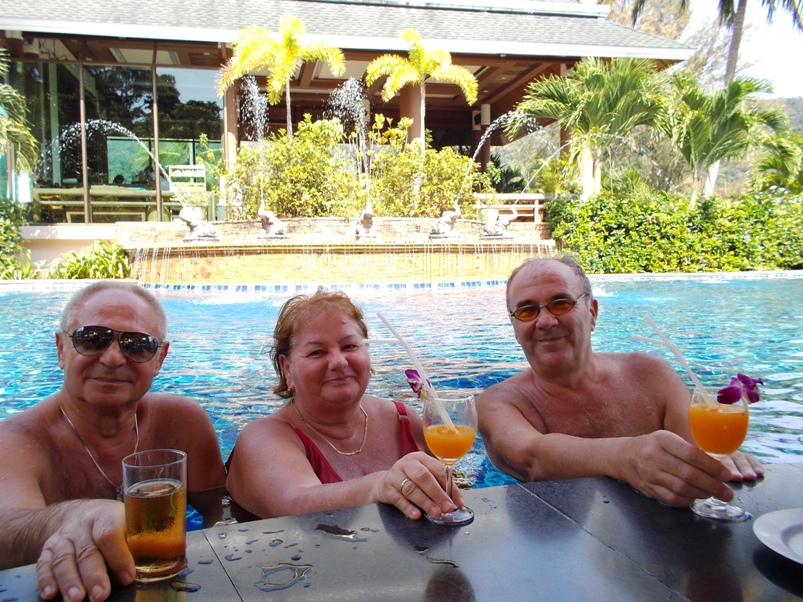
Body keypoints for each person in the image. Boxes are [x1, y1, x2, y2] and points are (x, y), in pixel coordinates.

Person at [477, 254, 763, 508]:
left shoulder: (651, 375)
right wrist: (627, 456)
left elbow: (699, 450)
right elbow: (532, 459)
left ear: (592, 313)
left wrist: (723, 460)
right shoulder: (498, 402)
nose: (545, 321)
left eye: (561, 304)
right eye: (527, 311)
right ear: (515, 328)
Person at [0, 281, 226, 602]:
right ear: (61, 349)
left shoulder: (183, 422)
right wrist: (70, 516)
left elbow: (219, 510)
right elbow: (5, 527)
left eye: (137, 345)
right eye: (91, 339)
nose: (112, 358)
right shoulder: (15, 440)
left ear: (159, 358)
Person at [226, 289, 464, 521]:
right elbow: (292, 504)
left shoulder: (403, 420)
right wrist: (378, 486)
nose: (339, 362)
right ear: (287, 368)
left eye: (349, 347)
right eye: (317, 352)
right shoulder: (262, 438)